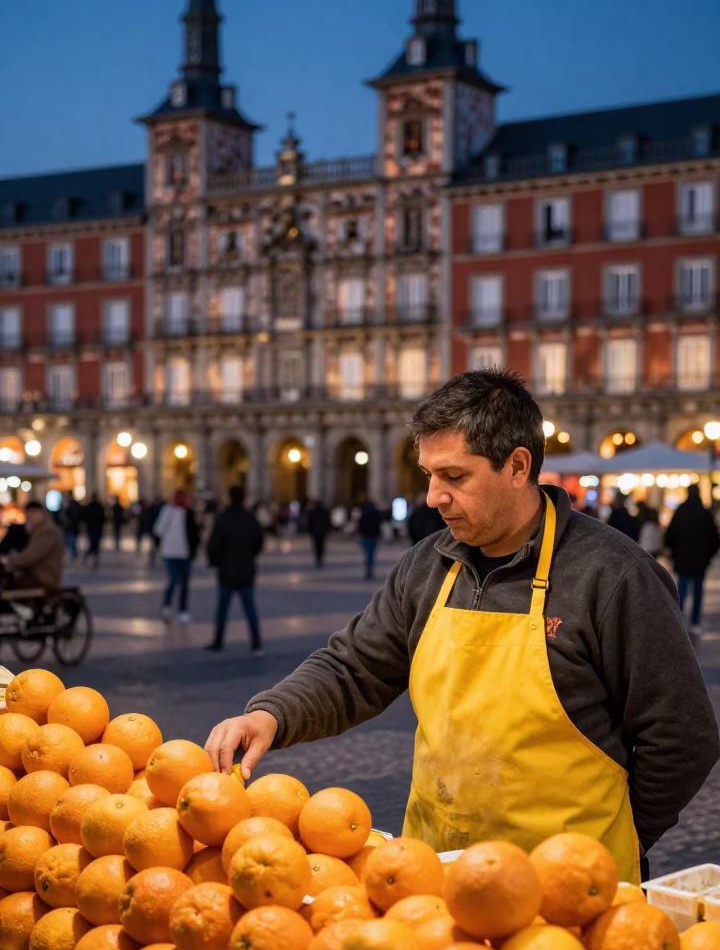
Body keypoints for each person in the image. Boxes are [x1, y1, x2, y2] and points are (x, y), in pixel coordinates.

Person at [205, 368, 720, 884]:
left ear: (518, 466)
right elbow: (354, 667)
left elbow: (681, 734)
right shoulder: (427, 566)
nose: (433, 496)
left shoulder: (614, 575)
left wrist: (625, 834)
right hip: (433, 876)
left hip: (569, 890)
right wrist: (272, 715)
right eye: (428, 474)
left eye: (454, 476)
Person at [204, 486, 264, 654]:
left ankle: (218, 641)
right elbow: (259, 542)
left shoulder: (223, 518)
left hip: (227, 570)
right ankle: (256, 643)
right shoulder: (250, 518)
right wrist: (250, 555)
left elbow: (213, 544)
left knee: (222, 609)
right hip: (246, 570)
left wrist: (214, 561)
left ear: (229, 497)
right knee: (250, 609)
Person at [665, 484, 720, 635]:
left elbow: (671, 534)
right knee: (697, 591)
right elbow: (714, 538)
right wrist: (708, 555)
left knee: (681, 589)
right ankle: (695, 622)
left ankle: (679, 620)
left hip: (683, 558)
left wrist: (673, 551)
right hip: (700, 559)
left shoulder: (681, 511)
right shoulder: (704, 513)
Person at [154, 489, 200, 622]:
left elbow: (194, 534)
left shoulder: (188, 512)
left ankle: (183, 610)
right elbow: (159, 530)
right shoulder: (167, 510)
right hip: (170, 553)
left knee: (185, 583)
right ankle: (166, 607)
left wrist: (194, 550)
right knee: (173, 580)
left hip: (185, 553)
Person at [0, 500, 64, 589]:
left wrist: (9, 560)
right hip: (37, 574)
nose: (29, 517)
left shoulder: (48, 532)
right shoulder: (38, 530)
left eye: (32, 514)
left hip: (44, 577)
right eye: (28, 515)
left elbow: (31, 556)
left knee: (8, 585)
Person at [357, 498, 384, 579]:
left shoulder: (364, 513)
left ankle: (368, 567)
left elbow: (360, 525)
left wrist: (361, 533)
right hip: (374, 535)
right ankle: (370, 567)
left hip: (366, 536)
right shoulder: (376, 513)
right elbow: (379, 523)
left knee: (367, 552)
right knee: (371, 553)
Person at [305, 499, 332, 567]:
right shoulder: (324, 511)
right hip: (322, 532)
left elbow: (310, 522)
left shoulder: (314, 512)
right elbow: (328, 521)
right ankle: (320, 558)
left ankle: (318, 558)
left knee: (317, 546)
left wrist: (309, 530)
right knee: (321, 545)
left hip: (316, 532)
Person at [83, 493, 106, 569]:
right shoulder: (99, 506)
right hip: (96, 529)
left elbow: (85, 517)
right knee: (94, 544)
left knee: (93, 544)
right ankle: (94, 559)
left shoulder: (90, 506)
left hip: (92, 528)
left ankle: (91, 558)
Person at [60, 494, 83, 561]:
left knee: (71, 541)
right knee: (72, 541)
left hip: (71, 527)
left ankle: (73, 554)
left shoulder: (71, 506)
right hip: (71, 527)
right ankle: (73, 554)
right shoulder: (71, 505)